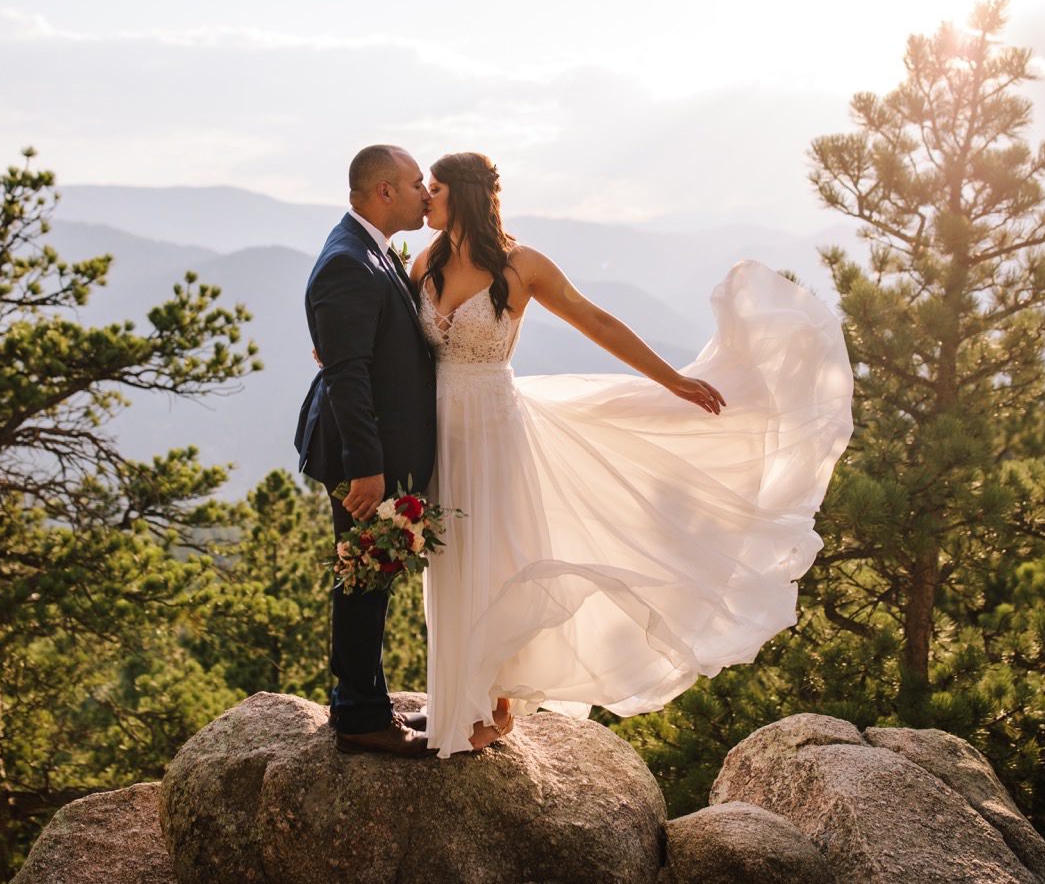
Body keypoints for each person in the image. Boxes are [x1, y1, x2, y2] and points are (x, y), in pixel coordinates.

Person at [408, 152, 854, 757]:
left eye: (432, 189)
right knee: (453, 558)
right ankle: (457, 700)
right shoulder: (425, 262)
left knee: (499, 557)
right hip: (441, 429)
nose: (424, 200)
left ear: (459, 194)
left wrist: (672, 381)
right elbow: (393, 337)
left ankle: (497, 706)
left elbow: (595, 320)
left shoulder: (523, 265)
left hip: (494, 428)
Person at [295, 144, 436, 757]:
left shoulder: (370, 251)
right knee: (361, 578)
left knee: (371, 577)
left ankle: (368, 705)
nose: (424, 194)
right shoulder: (348, 262)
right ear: (384, 192)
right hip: (362, 455)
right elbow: (347, 374)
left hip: (376, 444)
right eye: (413, 184)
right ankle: (358, 717)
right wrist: (368, 470)